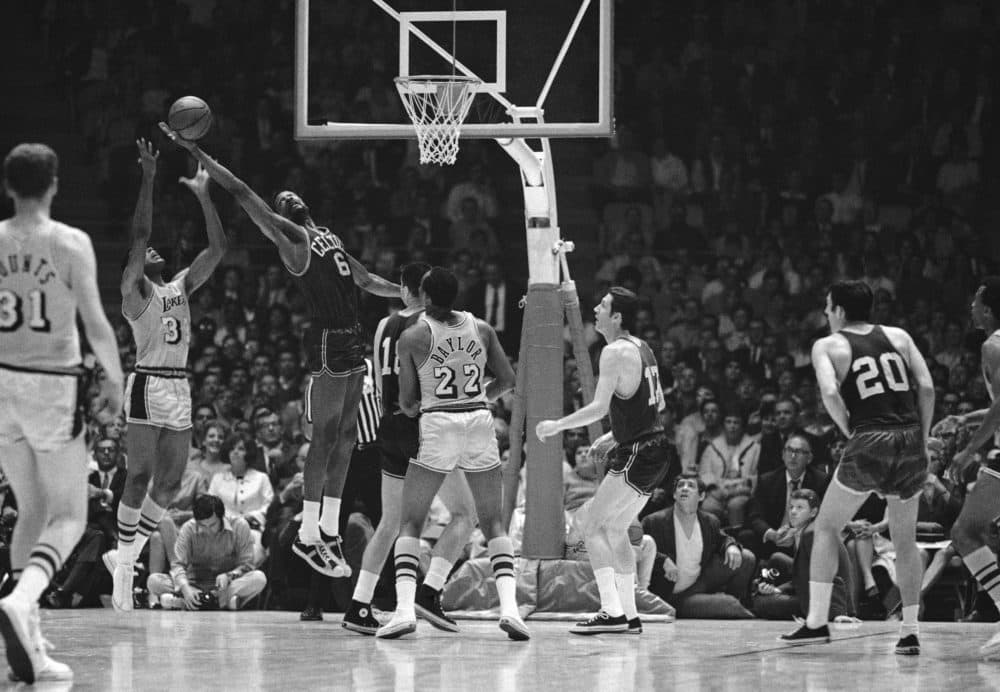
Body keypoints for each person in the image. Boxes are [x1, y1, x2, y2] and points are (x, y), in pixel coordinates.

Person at [160, 121, 401, 580]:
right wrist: (199, 153)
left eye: (291, 196)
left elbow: (368, 280)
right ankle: (310, 531)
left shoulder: (330, 236)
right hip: (329, 341)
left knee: (349, 436)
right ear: (279, 215)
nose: (286, 196)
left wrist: (410, 297)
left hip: (352, 340)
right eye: (280, 201)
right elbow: (244, 191)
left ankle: (327, 529)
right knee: (325, 437)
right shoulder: (293, 240)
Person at [0, 142, 124, 683]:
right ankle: (23, 600)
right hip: (50, 383)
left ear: (9, 187)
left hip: (1, 381)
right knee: (70, 515)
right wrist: (116, 379)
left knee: (30, 510)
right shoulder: (71, 242)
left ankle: (29, 637)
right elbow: (96, 323)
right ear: (54, 184)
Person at [780, 280, 934, 657]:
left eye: (828, 308)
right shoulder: (898, 335)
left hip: (870, 437)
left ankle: (816, 622)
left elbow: (830, 393)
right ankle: (910, 631)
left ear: (840, 311)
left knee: (827, 527)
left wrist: (851, 430)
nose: (826, 314)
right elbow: (926, 388)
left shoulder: (827, 344)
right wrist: (924, 438)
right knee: (904, 539)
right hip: (910, 436)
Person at [375, 267, 529, 640]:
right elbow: (508, 380)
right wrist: (477, 398)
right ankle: (511, 611)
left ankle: (403, 610)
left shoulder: (412, 337)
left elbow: (409, 402)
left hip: (438, 425)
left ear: (425, 297)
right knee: (492, 521)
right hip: (478, 421)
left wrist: (421, 406)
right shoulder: (482, 328)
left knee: (411, 521)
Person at [107, 139, 227, 612]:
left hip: (179, 385)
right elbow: (139, 235)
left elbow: (218, 247)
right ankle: (124, 569)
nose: (152, 249)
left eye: (158, 249)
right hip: (148, 382)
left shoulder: (179, 286)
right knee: (138, 477)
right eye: (145, 252)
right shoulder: (133, 294)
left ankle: (127, 555)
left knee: (172, 482)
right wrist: (150, 178)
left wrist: (203, 194)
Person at [344, 263, 478, 635]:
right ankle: (427, 592)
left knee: (391, 522)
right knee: (465, 515)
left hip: (389, 428)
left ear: (404, 290)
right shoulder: (433, 327)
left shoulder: (384, 326)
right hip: (423, 425)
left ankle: (359, 605)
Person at [536, 287, 674, 635]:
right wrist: (615, 434)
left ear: (617, 317)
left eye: (603, 306)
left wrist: (557, 425)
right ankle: (630, 615)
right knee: (615, 530)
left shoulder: (613, 352)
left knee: (592, 525)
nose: (595, 309)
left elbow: (598, 408)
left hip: (640, 452)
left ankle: (611, 611)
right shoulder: (642, 347)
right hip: (655, 449)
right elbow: (655, 406)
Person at [944, 277, 1000, 658]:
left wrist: (966, 453)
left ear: (989, 309)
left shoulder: (993, 345)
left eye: (976, 301)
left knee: (965, 533)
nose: (971, 307)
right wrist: (964, 421)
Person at [146, 494, 267, 610]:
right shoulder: (189, 528)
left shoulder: (239, 525)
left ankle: (186, 603)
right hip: (195, 583)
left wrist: (229, 576)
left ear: (222, 517)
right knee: (154, 581)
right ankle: (219, 602)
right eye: (203, 526)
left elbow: (247, 565)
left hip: (226, 585)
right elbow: (177, 565)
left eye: (212, 525)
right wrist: (185, 588)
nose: (208, 530)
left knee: (259, 578)